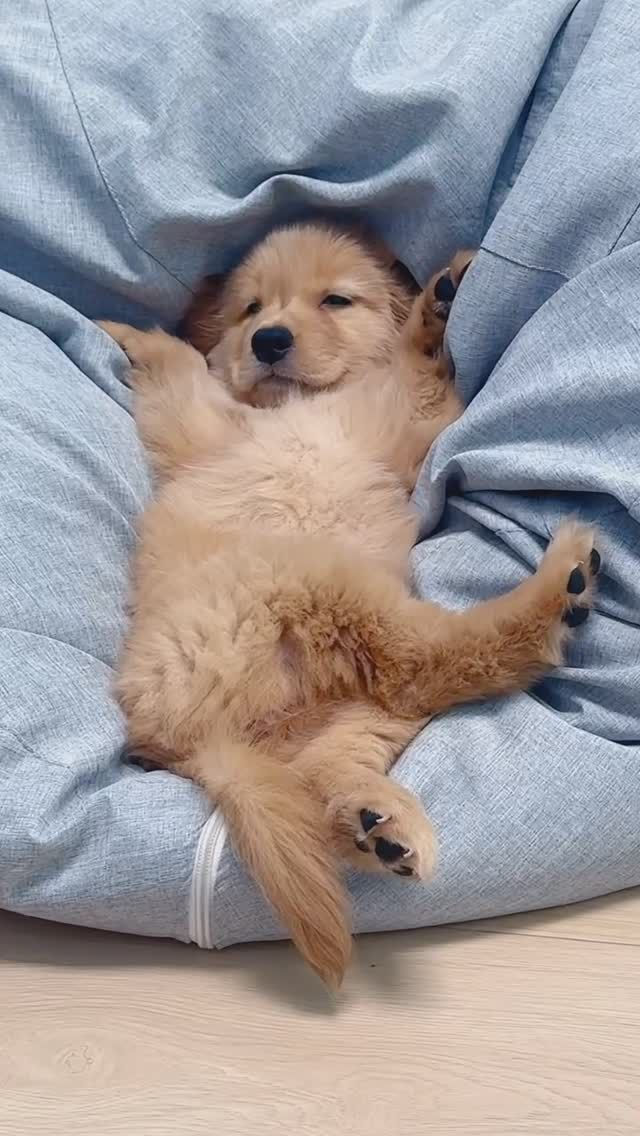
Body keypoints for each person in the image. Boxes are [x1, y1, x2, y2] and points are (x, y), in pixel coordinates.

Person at [0, 0, 638, 952]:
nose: (275, 326)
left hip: (276, 680)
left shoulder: (390, 403)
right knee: (346, 612)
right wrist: (129, 336)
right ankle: (491, 647)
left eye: (334, 302)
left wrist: (426, 336)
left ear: (398, 315)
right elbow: (176, 385)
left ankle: (349, 803)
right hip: (206, 649)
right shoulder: (222, 417)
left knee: (361, 725)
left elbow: (426, 413)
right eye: (254, 310)